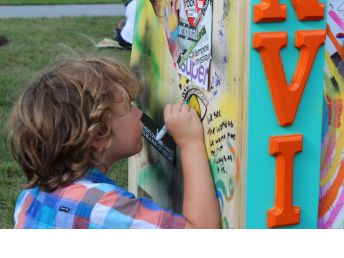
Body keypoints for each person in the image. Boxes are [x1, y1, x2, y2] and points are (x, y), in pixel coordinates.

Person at [10, 56, 220, 229]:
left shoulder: (28, 199)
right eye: (128, 107)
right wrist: (191, 144)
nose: (139, 114)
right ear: (99, 135)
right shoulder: (104, 209)